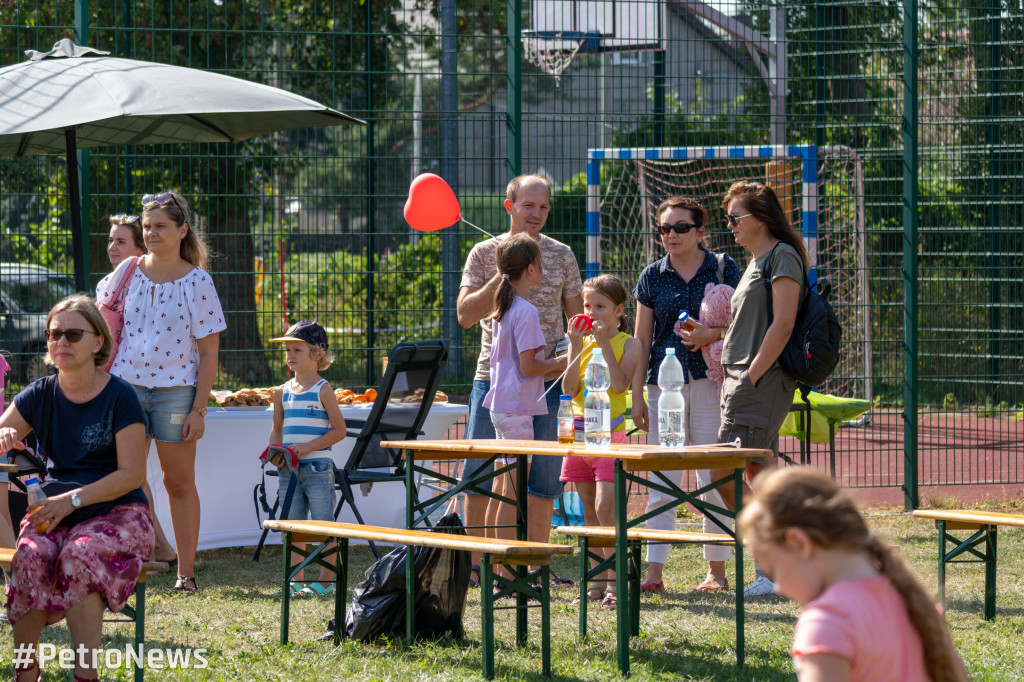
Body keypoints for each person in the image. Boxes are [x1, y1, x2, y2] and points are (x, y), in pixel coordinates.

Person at [0, 294, 154, 682]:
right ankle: (25, 672)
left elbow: (132, 474)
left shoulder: (121, 397)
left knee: (79, 555)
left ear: (98, 342)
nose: (61, 343)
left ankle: (86, 675)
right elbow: (4, 432)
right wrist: (3, 434)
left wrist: (73, 499)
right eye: (54, 335)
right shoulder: (40, 392)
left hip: (118, 511)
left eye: (72, 334)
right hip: (54, 511)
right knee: (30, 557)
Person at [457, 174, 583, 588]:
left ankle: (533, 565)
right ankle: (474, 565)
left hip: (546, 383)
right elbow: (465, 314)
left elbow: (577, 317)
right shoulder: (482, 253)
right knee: (482, 473)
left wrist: (573, 361)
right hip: (494, 382)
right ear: (509, 206)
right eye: (529, 205)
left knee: (542, 476)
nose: (538, 214)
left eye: (544, 207)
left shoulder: (561, 255)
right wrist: (505, 270)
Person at [97, 191, 226, 594]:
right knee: (125, 478)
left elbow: (208, 354)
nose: (151, 233)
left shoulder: (198, 281)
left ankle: (185, 574)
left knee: (178, 482)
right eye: (147, 226)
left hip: (176, 393)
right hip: (126, 389)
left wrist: (199, 409)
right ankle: (129, 564)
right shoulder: (128, 271)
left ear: (182, 230)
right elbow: (99, 321)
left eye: (160, 226)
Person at [738, 467, 969, 682]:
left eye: (773, 568)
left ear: (798, 543)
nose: (779, 587)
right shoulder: (909, 596)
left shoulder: (827, 622)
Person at [631, 196, 742, 593]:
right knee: (664, 478)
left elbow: (747, 326)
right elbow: (642, 341)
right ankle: (654, 574)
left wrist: (713, 335)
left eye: (680, 227)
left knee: (712, 476)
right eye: (664, 229)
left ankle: (716, 573)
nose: (671, 235)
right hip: (665, 388)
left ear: (700, 231)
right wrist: (638, 395)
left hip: (713, 384)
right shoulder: (651, 275)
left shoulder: (725, 267)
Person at [701, 181, 806, 597]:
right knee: (754, 475)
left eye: (735, 217)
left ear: (760, 218)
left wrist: (753, 375)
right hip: (742, 379)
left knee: (726, 471)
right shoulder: (758, 258)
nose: (730, 226)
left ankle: (777, 569)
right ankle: (779, 565)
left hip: (757, 380)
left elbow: (783, 324)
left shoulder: (782, 256)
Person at [482, 234, 567, 590]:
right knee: (512, 493)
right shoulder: (526, 310)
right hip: (515, 409)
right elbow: (531, 367)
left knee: (504, 487)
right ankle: (505, 574)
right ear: (531, 270)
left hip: (504, 406)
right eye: (541, 266)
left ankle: (496, 570)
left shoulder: (506, 307)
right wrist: (569, 358)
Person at [96, 213, 178, 567]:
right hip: (112, 386)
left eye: (121, 241)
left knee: (134, 475)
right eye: (111, 239)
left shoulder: (143, 279)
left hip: (134, 387)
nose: (113, 246)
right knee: (128, 473)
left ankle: (159, 548)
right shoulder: (110, 281)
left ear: (139, 250)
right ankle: (154, 546)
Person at [560, 274, 640, 609]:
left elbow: (621, 386)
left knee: (606, 509)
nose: (591, 312)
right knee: (587, 516)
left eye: (600, 306)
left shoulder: (630, 344)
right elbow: (568, 389)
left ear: (619, 310)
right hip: (579, 435)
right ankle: (595, 582)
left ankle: (616, 582)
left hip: (610, 436)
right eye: (587, 305)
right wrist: (576, 346)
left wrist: (604, 342)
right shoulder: (579, 343)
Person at [268, 320, 347, 597]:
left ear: (317, 354)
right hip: (288, 470)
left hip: (317, 467)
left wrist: (308, 446)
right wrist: (274, 454)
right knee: (292, 526)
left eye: (297, 350)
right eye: (287, 350)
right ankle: (295, 582)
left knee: (323, 525)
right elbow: (277, 429)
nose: (289, 355)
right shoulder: (281, 392)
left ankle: (326, 583)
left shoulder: (324, 390)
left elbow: (340, 431)